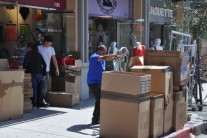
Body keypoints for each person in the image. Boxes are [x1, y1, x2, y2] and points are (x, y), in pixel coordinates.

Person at [87, 44, 121, 125]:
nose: (105, 54)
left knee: (100, 100)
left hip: (99, 82)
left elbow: (109, 58)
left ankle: (97, 118)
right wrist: (117, 54)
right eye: (104, 52)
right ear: (99, 51)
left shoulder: (102, 59)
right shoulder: (94, 57)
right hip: (93, 82)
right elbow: (105, 57)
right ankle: (95, 119)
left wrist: (117, 57)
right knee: (100, 100)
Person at [37, 35, 59, 107]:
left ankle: (41, 100)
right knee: (36, 86)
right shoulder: (38, 48)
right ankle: (36, 101)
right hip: (38, 70)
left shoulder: (51, 49)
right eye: (50, 42)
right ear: (45, 41)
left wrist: (57, 68)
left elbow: (54, 59)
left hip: (46, 70)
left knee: (44, 86)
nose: (51, 44)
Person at [23, 42, 46, 109]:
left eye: (27, 47)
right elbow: (44, 64)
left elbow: (25, 65)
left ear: (30, 48)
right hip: (39, 74)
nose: (27, 49)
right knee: (38, 89)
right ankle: (38, 104)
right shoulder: (39, 54)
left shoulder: (28, 55)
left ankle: (34, 105)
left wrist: (25, 71)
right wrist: (44, 74)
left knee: (34, 90)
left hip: (32, 74)